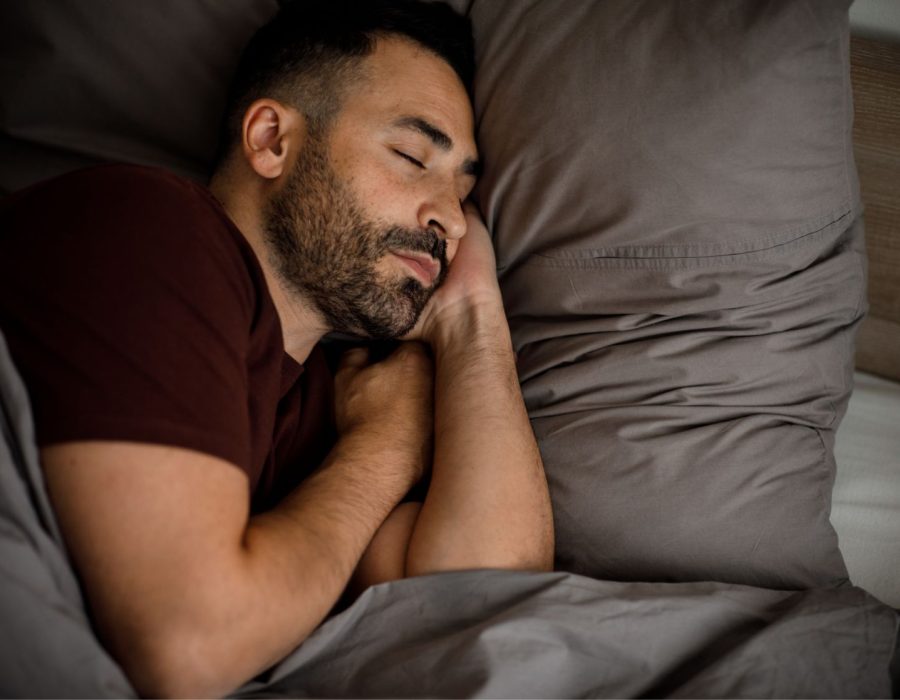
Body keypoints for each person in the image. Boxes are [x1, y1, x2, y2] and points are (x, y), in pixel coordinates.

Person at [0, 0, 553, 697]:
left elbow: (487, 598)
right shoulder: (147, 227)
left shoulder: (326, 403)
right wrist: (384, 450)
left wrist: (474, 317)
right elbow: (187, 650)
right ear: (271, 139)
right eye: (414, 157)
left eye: (464, 193)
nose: (449, 219)